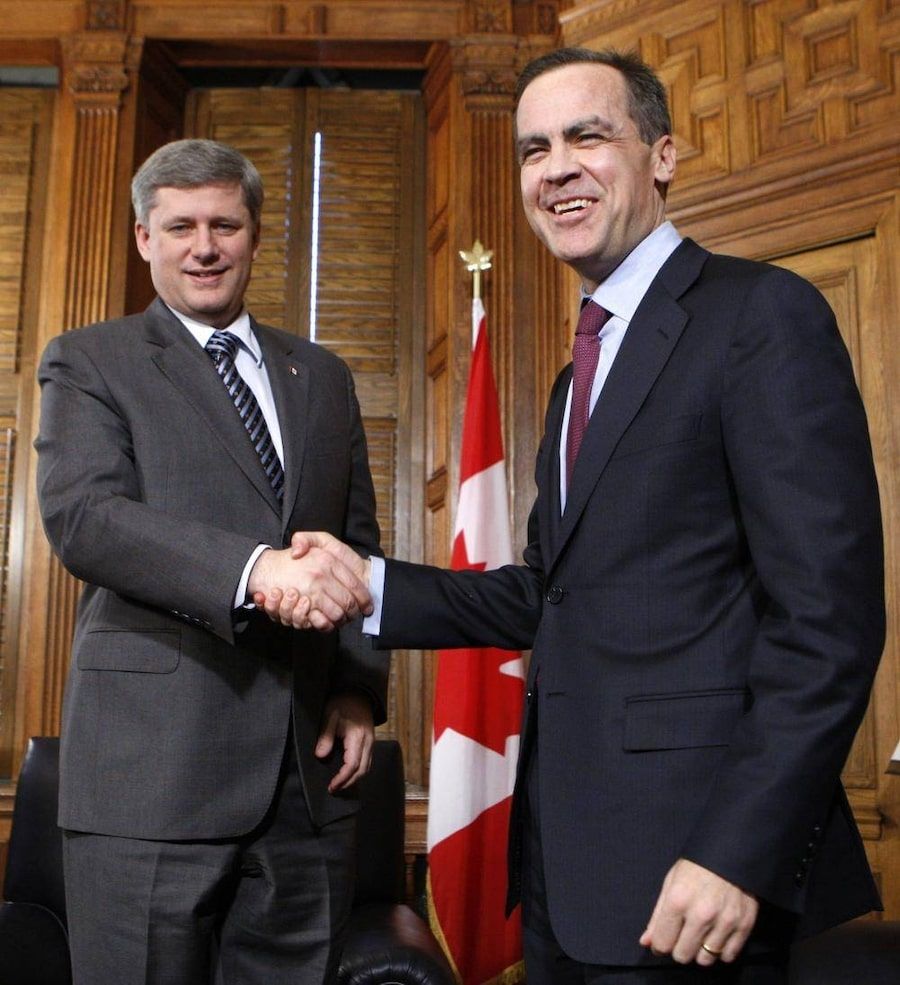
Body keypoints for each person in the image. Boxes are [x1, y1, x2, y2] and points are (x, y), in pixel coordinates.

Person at [261, 47, 886, 985]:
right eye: (533, 149)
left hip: (697, 873)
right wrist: (365, 584)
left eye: (587, 137)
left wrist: (738, 852)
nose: (555, 169)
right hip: (563, 871)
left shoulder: (762, 316)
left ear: (662, 155)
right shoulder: (574, 380)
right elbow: (546, 593)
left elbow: (829, 622)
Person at [35, 138, 386, 985]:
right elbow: (86, 518)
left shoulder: (324, 376)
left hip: (305, 781)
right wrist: (255, 569)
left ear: (255, 235)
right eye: (180, 226)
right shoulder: (90, 359)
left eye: (225, 225)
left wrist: (356, 687)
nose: (204, 247)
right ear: (143, 238)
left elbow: (357, 547)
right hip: (151, 776)